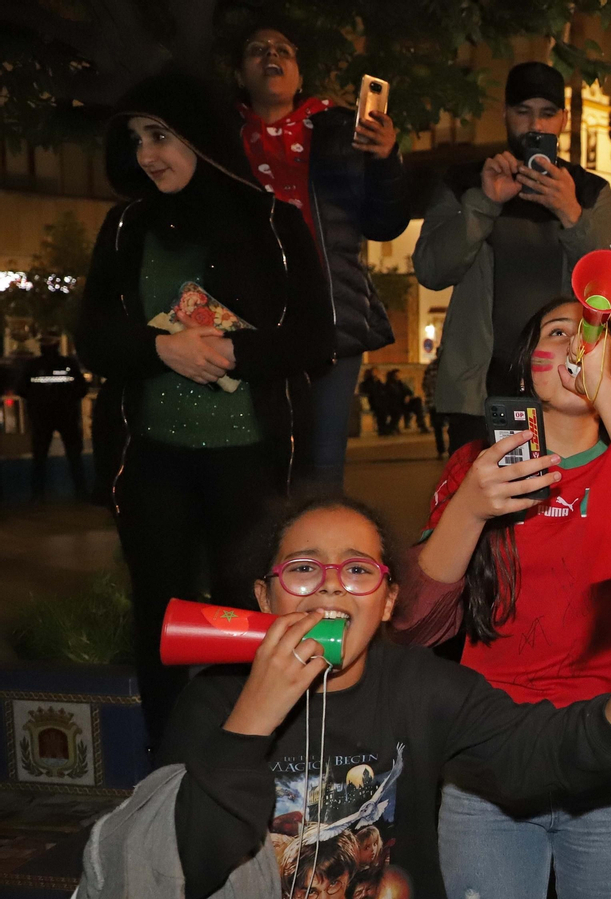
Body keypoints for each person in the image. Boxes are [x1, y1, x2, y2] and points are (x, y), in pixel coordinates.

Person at [136, 493, 611, 899]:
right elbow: (179, 866)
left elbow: (541, 755)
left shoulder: (423, 688)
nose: (330, 584)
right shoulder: (212, 702)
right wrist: (255, 714)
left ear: (386, 601)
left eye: (357, 570)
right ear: (264, 595)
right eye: (304, 569)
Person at [75, 72, 332, 744]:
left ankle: (244, 758)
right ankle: (168, 764)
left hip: (249, 461)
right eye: (136, 140)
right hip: (153, 458)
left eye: (159, 135)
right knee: (161, 619)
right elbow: (92, 334)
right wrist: (161, 349)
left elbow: (316, 335)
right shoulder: (126, 225)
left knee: (240, 617)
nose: (147, 154)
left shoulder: (271, 222)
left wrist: (231, 353)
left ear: (205, 139)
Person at [392, 299, 611, 899]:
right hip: (487, 757)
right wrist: (470, 506)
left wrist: (610, 394)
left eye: (594, 335)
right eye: (557, 332)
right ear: (524, 372)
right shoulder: (479, 467)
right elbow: (413, 623)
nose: (576, 344)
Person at [415, 61, 611, 456]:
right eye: (523, 111)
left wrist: (572, 214)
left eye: (547, 114)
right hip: (480, 389)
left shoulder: (589, 190)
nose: (535, 126)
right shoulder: (467, 181)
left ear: (563, 119)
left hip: (565, 386)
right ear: (505, 114)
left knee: (555, 506)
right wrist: (483, 203)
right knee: (479, 503)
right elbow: (430, 269)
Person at [234, 24, 408, 488]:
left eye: (283, 50)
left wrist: (385, 159)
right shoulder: (224, 139)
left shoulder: (336, 129)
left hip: (331, 318)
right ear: (239, 72)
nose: (272, 55)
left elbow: (384, 223)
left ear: (298, 71)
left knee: (324, 465)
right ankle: (266, 559)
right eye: (258, 50)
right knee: (258, 460)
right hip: (253, 322)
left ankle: (319, 560)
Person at [19, 330, 89, 499]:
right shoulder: (68, 364)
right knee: (73, 457)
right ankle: (80, 493)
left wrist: (38, 400)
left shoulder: (33, 366)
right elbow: (82, 389)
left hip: (43, 417)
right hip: (66, 416)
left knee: (40, 458)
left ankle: (38, 494)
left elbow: (21, 389)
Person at [423, 350, 446, 458]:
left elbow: (425, 384)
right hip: (446, 402)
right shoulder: (449, 366)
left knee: (438, 427)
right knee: (451, 427)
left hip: (434, 402)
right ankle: (450, 449)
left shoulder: (431, 366)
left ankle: (441, 450)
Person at [359, 367, 392, 436]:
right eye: (375, 372)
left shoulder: (378, 382)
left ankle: (385, 428)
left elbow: (385, 390)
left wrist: (383, 382)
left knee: (385, 408)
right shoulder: (366, 383)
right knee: (381, 409)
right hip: (372, 402)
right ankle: (382, 429)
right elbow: (369, 392)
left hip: (381, 402)